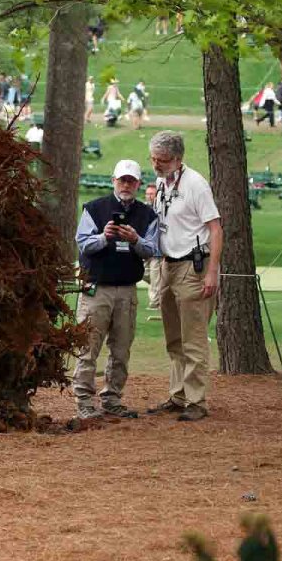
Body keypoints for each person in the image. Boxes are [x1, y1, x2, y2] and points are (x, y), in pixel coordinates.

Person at [72, 159, 159, 420]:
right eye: (122, 180)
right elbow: (83, 244)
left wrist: (135, 240)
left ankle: (112, 397)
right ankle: (84, 399)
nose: (126, 185)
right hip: (96, 288)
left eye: (131, 181)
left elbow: (153, 249)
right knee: (88, 346)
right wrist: (104, 237)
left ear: (138, 184)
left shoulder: (147, 215)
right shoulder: (95, 209)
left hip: (127, 289)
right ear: (113, 181)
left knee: (121, 349)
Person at [145, 131, 223, 423]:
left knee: (193, 338)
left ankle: (196, 400)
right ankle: (178, 395)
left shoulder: (196, 185)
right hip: (167, 265)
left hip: (193, 266)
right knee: (173, 337)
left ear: (178, 159)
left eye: (162, 160)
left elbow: (215, 228)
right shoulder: (162, 182)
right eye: (153, 158)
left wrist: (212, 272)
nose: (156, 164)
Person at [143, 183, 163, 314]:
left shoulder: (161, 209)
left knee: (155, 277)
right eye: (148, 193)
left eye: (152, 194)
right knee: (144, 274)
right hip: (144, 248)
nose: (150, 196)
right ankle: (163, 289)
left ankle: (155, 303)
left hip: (157, 250)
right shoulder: (142, 209)